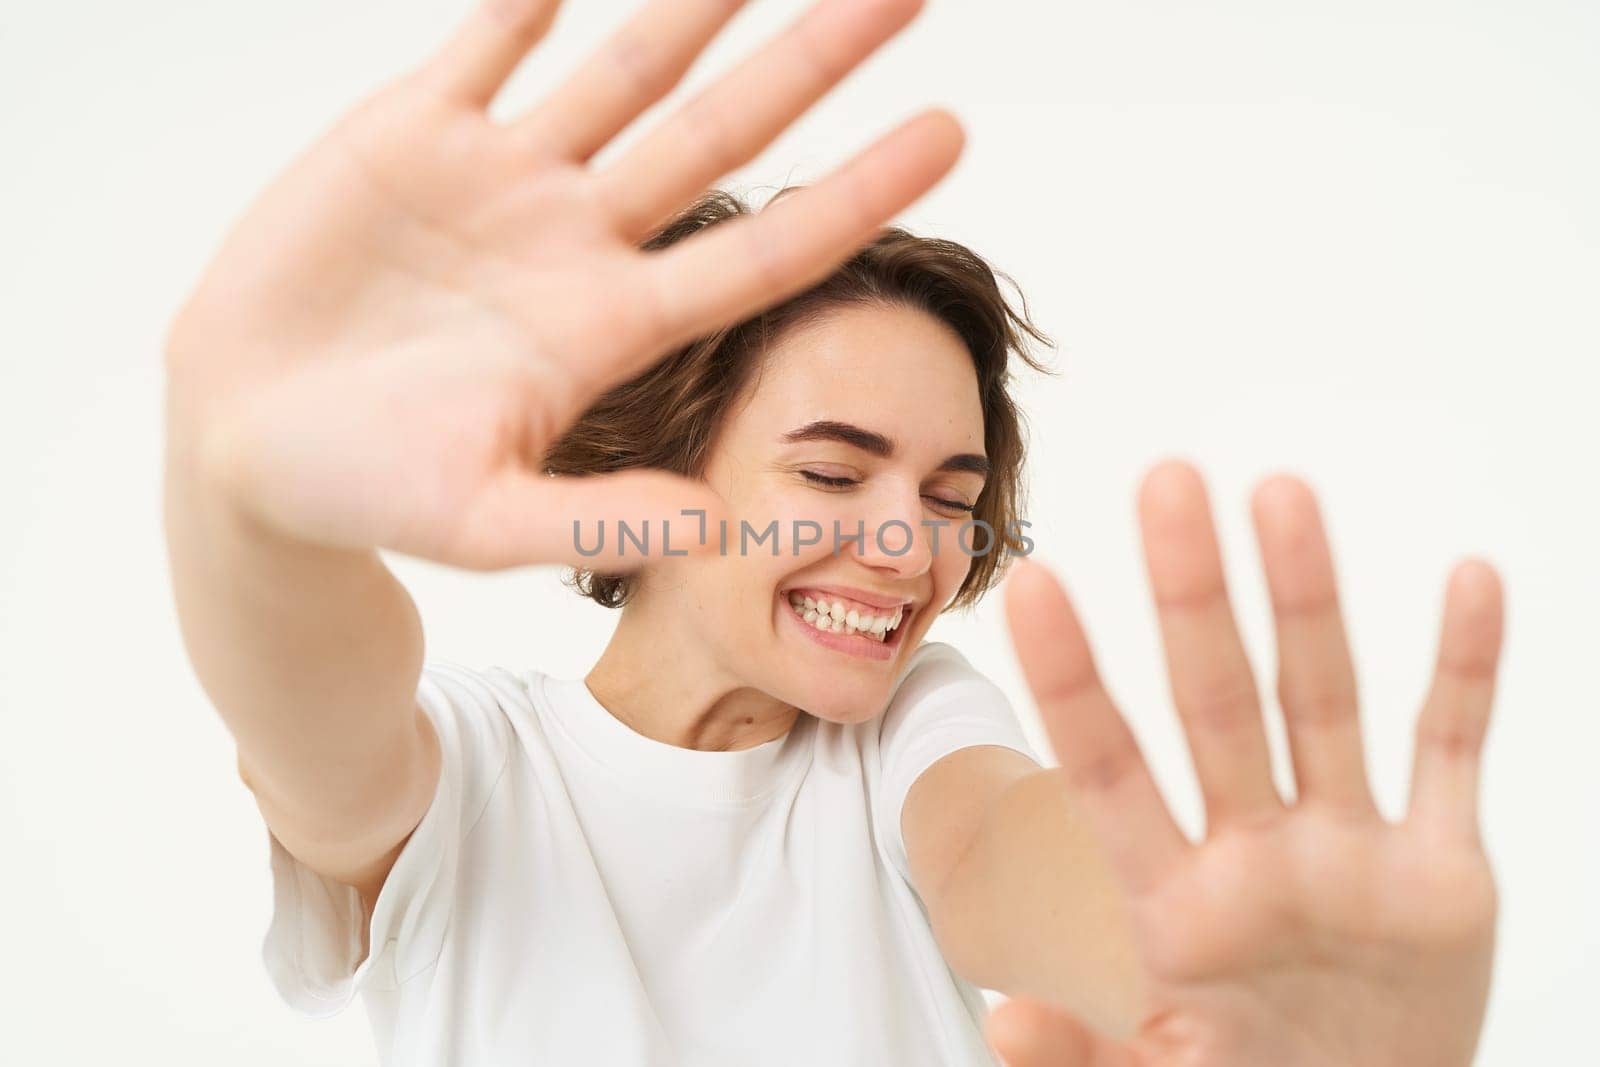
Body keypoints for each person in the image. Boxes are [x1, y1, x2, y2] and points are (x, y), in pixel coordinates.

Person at [161, 1, 1508, 1064]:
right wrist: (240, 489)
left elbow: (999, 857)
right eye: (832, 474)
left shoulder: (909, 730)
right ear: (655, 468)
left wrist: (1216, 967)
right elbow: (313, 714)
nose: (910, 549)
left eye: (949, 499)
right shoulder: (478, 769)